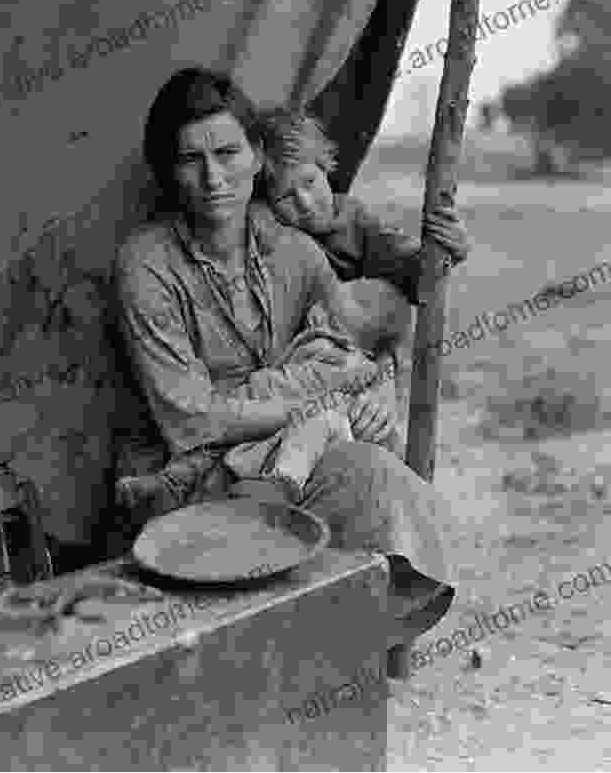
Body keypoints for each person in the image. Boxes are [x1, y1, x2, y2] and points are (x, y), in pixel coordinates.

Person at [114, 67, 457, 666]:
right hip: (192, 471)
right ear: (169, 171)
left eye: (227, 152)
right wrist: (316, 406)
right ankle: (277, 653)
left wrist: (381, 385)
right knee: (314, 483)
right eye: (190, 159)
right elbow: (189, 417)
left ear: (255, 158)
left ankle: (333, 656)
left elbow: (352, 331)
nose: (213, 177)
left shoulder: (293, 248)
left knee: (378, 474)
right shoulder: (147, 263)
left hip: (285, 458)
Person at [257, 107, 469, 359]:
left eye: (310, 182)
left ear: (324, 167)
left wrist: (445, 250)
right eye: (285, 197)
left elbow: (405, 263)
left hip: (354, 348)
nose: (305, 202)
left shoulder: (354, 219)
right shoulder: (272, 233)